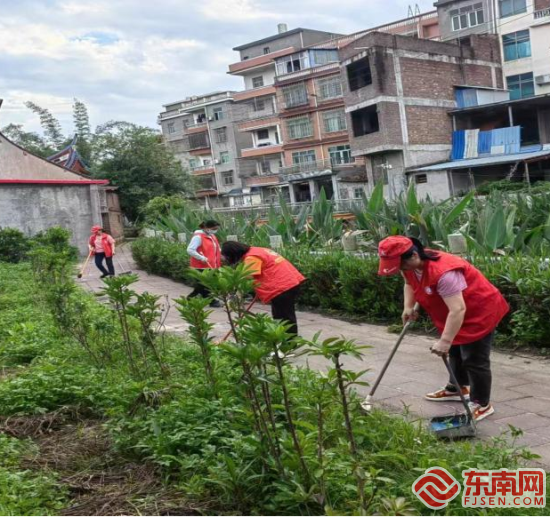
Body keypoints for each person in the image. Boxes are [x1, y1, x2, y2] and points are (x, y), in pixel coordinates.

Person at [377, 236, 509, 422]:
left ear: (414, 255)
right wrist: (408, 306)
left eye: (400, 265)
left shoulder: (444, 273)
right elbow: (409, 283)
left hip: (478, 311)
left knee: (474, 358)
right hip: (454, 311)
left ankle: (482, 403)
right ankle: (457, 387)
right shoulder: (409, 266)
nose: (399, 269)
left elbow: (458, 309)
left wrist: (445, 341)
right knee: (455, 351)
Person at [221, 241, 305, 335]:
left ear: (234, 253)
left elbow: (247, 278)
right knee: (283, 315)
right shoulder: (257, 250)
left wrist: (235, 297)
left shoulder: (252, 257)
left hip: (282, 287)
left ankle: (289, 343)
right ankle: (285, 341)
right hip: (289, 282)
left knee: (283, 317)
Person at [187, 220, 222, 308]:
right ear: (206, 228)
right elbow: (190, 250)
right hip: (201, 265)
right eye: (214, 228)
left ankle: (192, 297)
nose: (215, 230)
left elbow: (216, 248)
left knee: (203, 284)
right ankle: (211, 301)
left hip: (212, 264)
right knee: (204, 284)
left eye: (216, 229)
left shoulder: (212, 236)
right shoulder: (198, 237)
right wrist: (201, 258)